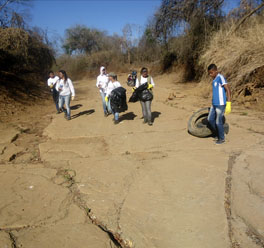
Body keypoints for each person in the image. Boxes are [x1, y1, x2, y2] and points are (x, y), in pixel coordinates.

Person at [207, 64, 231, 144]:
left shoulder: (221, 77)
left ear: (216, 71)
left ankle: (221, 138)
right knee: (210, 119)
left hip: (220, 104)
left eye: (211, 73)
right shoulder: (214, 79)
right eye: (209, 73)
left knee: (218, 122)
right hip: (214, 104)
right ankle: (219, 133)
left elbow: (228, 90)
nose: (210, 75)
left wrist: (229, 103)